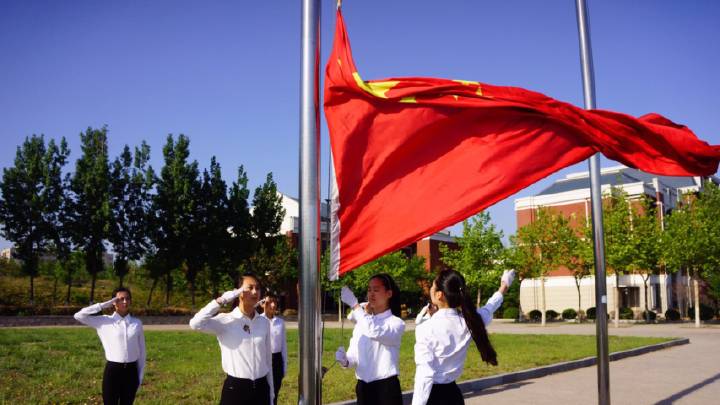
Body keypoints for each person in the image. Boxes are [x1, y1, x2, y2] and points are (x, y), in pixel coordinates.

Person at [412, 269, 515, 405]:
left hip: (433, 397)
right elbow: (489, 307)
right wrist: (504, 285)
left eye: (432, 286)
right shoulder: (469, 322)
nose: (430, 289)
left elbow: (424, 375)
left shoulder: (426, 328)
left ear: (439, 295)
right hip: (453, 396)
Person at [189, 272, 274, 405]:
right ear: (238, 292)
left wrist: (271, 393)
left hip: (261, 388)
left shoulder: (263, 322)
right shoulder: (225, 320)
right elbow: (195, 324)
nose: (255, 291)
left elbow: (268, 360)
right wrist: (221, 300)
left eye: (257, 288)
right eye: (249, 287)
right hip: (236, 389)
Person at [335, 274, 406, 405]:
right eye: (369, 290)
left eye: (376, 290)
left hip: (386, 389)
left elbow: (374, 331)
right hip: (363, 388)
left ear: (389, 293)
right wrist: (345, 360)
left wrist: (356, 306)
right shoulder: (363, 322)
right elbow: (354, 358)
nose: (371, 294)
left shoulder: (396, 323)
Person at [74, 287, 146, 405]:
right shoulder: (103, 321)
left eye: (127, 299)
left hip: (131, 371)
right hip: (113, 371)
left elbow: (142, 351)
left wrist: (140, 375)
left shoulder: (136, 323)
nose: (124, 302)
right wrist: (102, 305)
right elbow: (78, 316)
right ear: (113, 302)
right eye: (120, 299)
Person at [260, 295, 287, 405]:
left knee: (275, 392)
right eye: (269, 302)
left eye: (274, 302)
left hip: (277, 360)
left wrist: (284, 365)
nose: (273, 305)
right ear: (263, 304)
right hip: (264, 359)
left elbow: (283, 345)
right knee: (264, 391)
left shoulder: (280, 322)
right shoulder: (259, 320)